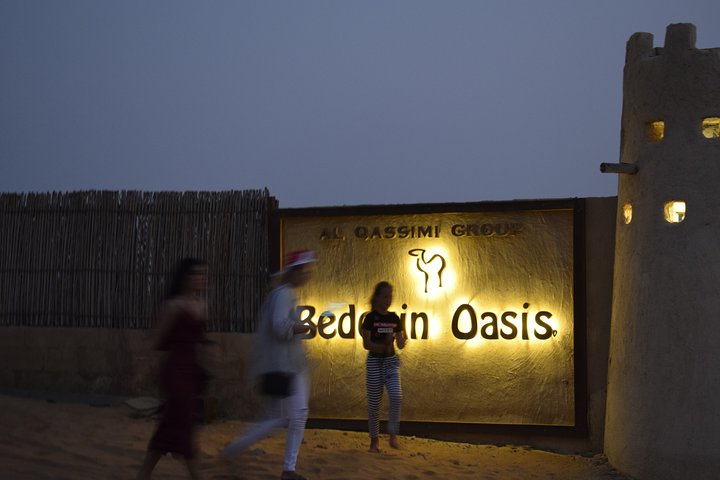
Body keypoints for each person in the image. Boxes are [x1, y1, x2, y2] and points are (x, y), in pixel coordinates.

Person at [223, 250, 316, 480]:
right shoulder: (284, 295)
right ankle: (286, 468)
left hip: (288, 365)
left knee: (284, 416)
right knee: (289, 416)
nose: (306, 275)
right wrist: (305, 328)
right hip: (286, 366)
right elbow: (280, 327)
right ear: (294, 272)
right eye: (303, 270)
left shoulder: (285, 294)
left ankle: (238, 449)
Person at [136, 258, 209, 480]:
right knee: (182, 419)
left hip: (191, 369)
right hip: (174, 369)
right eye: (196, 273)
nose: (200, 278)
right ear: (184, 277)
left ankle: (143, 474)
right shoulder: (173, 306)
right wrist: (142, 370)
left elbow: (201, 340)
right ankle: (196, 475)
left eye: (203, 274)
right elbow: (156, 340)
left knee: (172, 422)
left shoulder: (202, 305)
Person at [360, 281, 407, 453]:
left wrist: (401, 342)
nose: (388, 300)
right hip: (374, 361)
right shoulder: (370, 318)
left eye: (390, 296)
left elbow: (400, 342)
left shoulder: (394, 318)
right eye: (385, 296)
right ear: (377, 297)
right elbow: (367, 344)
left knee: (396, 396)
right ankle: (374, 440)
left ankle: (393, 434)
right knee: (374, 404)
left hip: (391, 362)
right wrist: (383, 346)